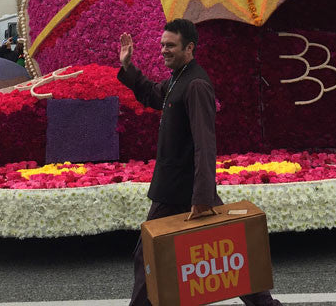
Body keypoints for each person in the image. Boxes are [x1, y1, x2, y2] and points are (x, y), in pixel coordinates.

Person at [116, 19, 282, 306]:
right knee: (230, 254)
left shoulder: (195, 84)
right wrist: (129, 67)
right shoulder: (179, 78)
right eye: (162, 45)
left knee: (148, 255)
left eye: (170, 45)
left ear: (189, 47)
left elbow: (205, 145)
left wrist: (202, 196)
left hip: (183, 189)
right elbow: (153, 94)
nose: (164, 50)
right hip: (182, 187)